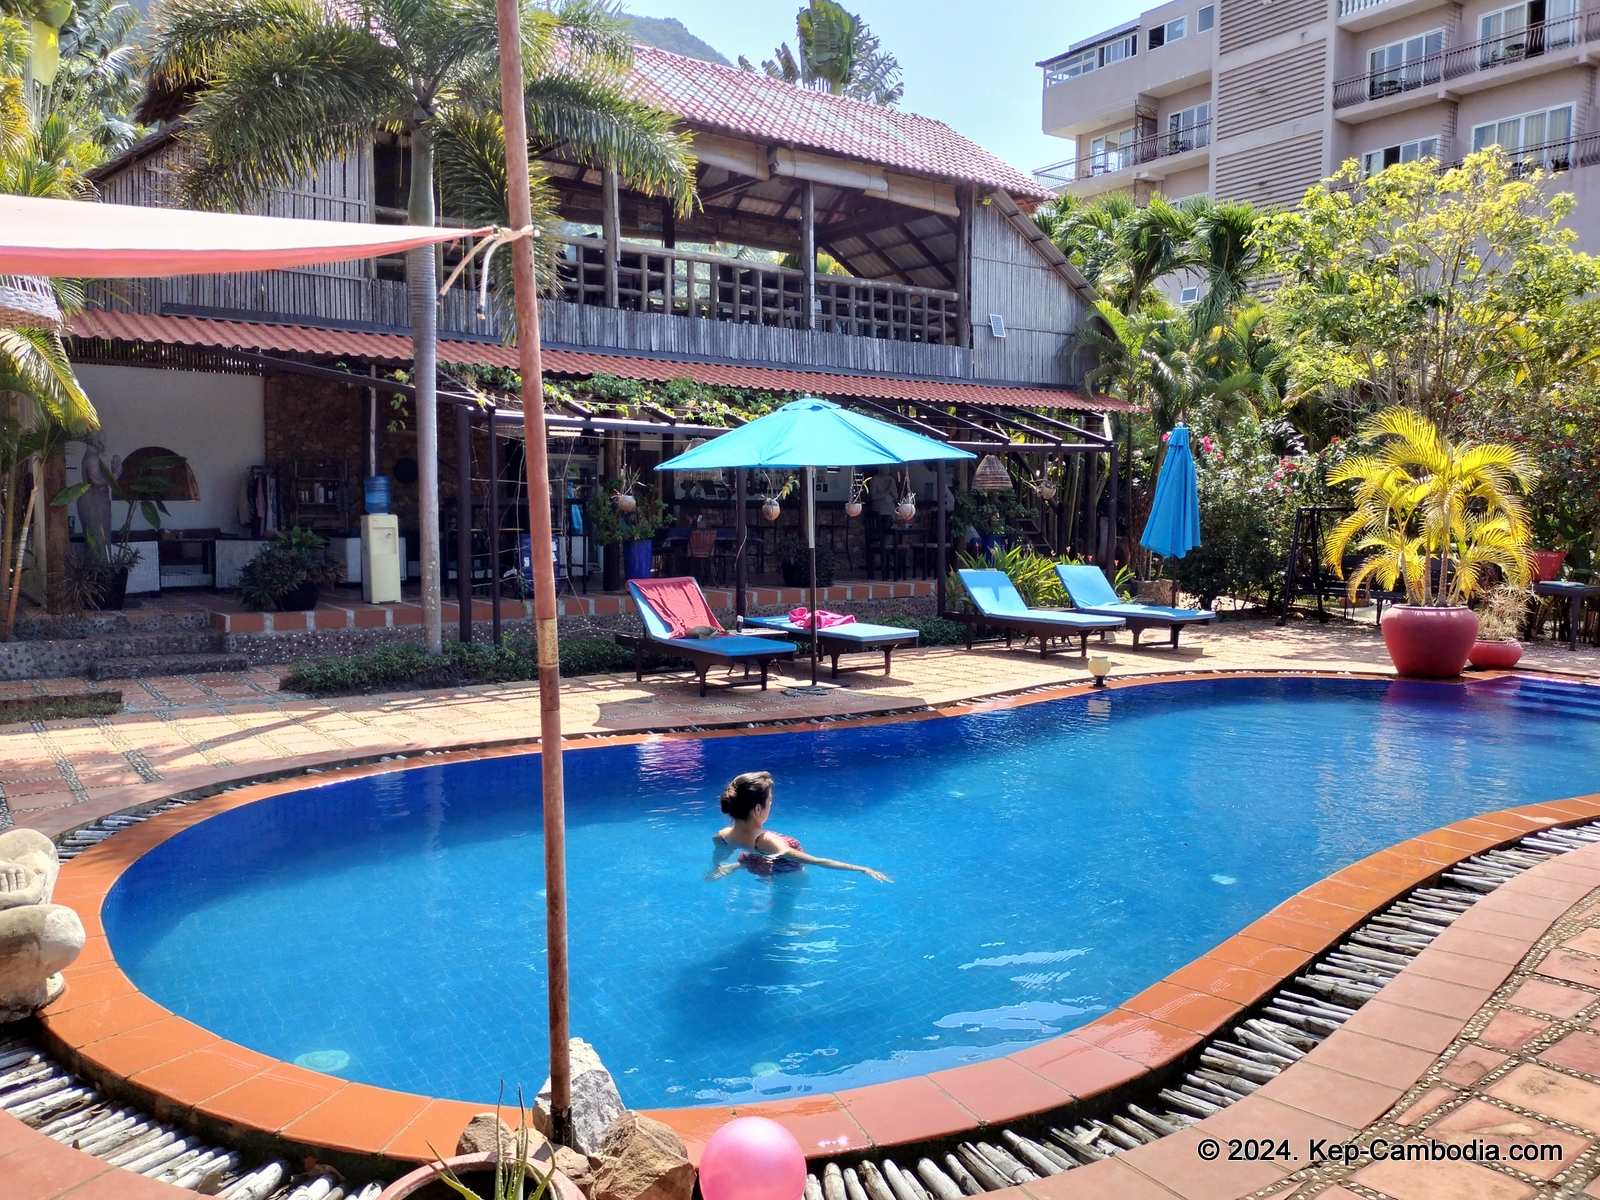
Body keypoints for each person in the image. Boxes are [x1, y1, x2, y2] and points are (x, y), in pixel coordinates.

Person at [707, 771, 891, 882]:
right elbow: (814, 861)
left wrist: (719, 867)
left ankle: (737, 867)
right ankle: (784, 925)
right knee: (785, 901)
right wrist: (861, 869)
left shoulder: (723, 836)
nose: (771, 805)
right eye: (770, 802)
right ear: (758, 808)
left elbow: (719, 856)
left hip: (752, 861)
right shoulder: (769, 840)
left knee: (750, 857)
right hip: (784, 872)